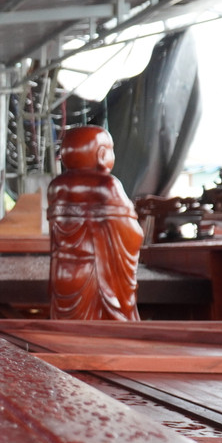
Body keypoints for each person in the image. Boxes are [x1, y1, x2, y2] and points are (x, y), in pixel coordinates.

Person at [46, 125, 145, 320]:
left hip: (63, 271)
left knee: (66, 327)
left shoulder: (55, 186)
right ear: (101, 154)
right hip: (96, 274)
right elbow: (131, 233)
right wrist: (138, 233)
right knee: (102, 330)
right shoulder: (107, 185)